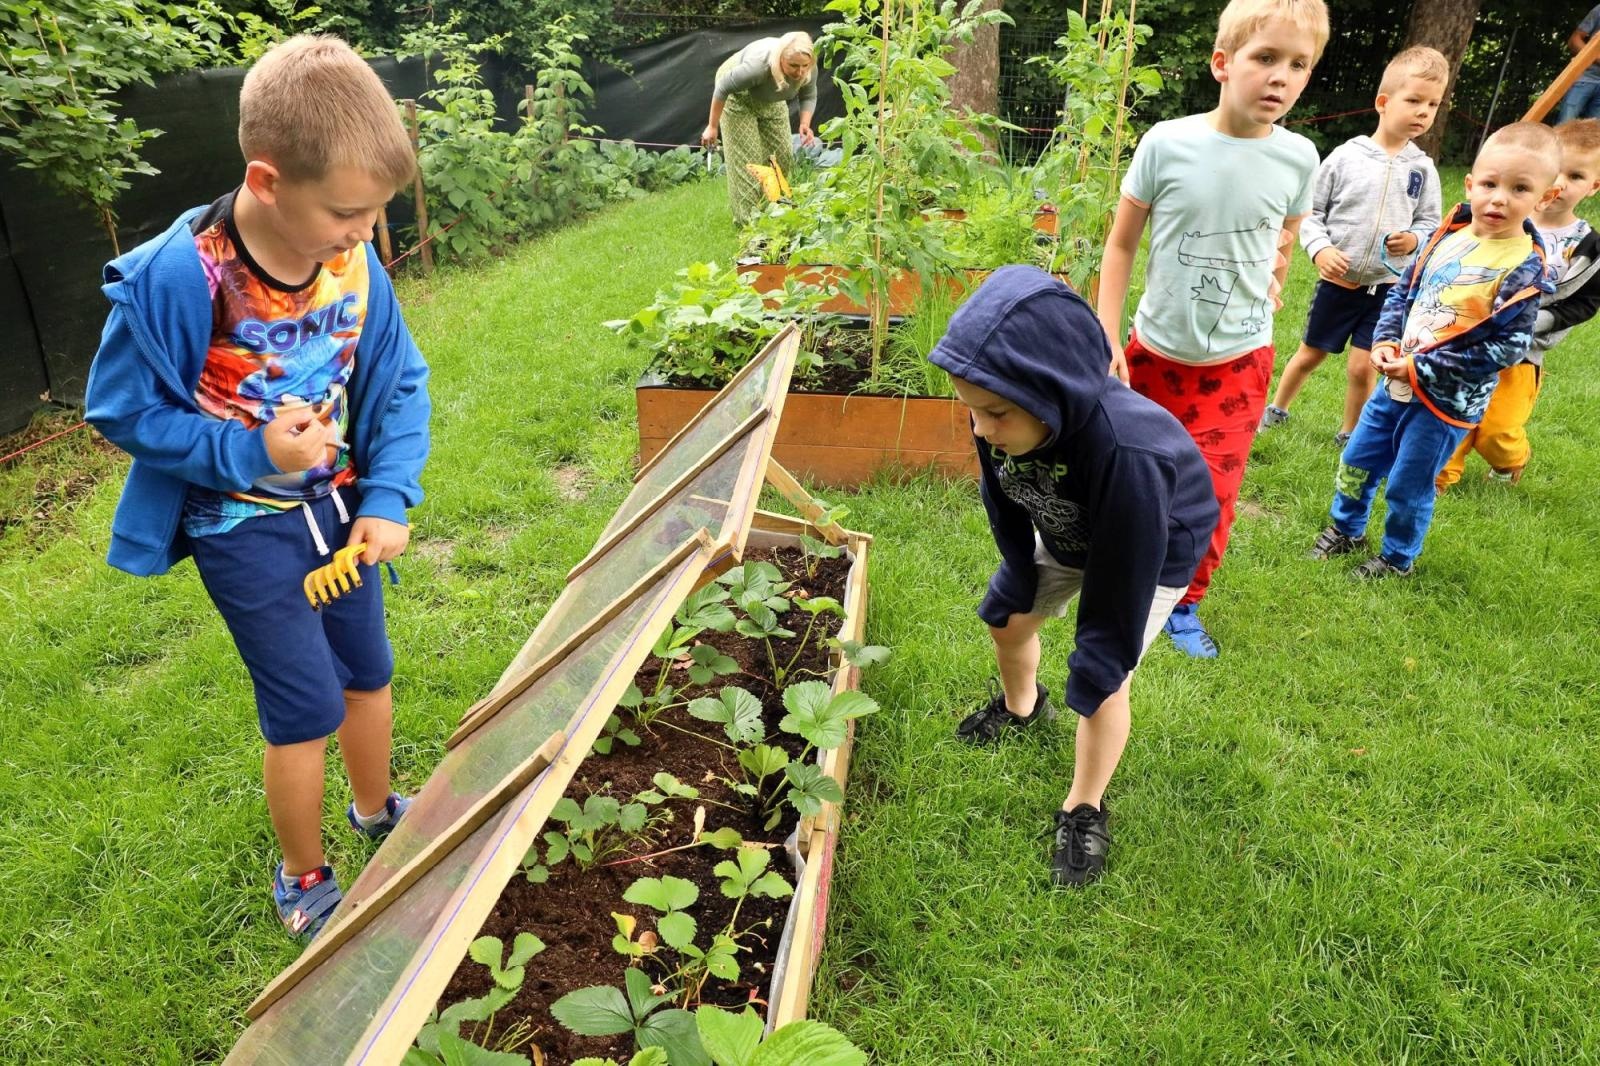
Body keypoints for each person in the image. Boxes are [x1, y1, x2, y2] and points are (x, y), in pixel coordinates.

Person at [83, 36, 431, 940]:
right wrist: (250, 452)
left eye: (376, 211)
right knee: (304, 708)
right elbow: (120, 409)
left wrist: (386, 496)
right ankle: (303, 876)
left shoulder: (355, 264)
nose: (365, 232)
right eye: (347, 212)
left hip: (340, 511)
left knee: (368, 673)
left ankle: (377, 810)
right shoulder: (181, 276)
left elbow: (398, 381)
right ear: (268, 182)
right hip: (240, 525)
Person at [929, 266, 1219, 888]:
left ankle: (1084, 805)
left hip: (1152, 541)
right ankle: (1023, 707)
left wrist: (1099, 657)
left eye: (995, 413)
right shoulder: (1000, 418)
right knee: (1007, 620)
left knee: (1105, 678)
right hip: (1072, 524)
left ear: (1052, 393)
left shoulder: (1128, 452)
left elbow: (1121, 580)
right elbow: (1004, 499)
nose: (980, 429)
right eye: (971, 411)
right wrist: (1019, 570)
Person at [1096, 0, 1328, 659]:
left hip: (1240, 363)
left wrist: (1275, 272)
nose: (1280, 76)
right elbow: (1121, 245)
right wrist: (1106, 333)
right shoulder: (1166, 144)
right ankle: (1121, 574)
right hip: (1153, 356)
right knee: (1134, 478)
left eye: (1299, 65)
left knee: (1213, 494)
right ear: (1223, 63)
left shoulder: (1299, 157)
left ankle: (1184, 601)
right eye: (1266, 57)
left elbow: (1284, 232)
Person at [1309, 122, 1559, 577]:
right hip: (1393, 384)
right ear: (1470, 184)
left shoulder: (1525, 269)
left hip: (1444, 404)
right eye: (1489, 184)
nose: (1499, 199)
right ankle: (1347, 529)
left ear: (1545, 197)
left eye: (1520, 189)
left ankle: (1396, 558)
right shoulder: (1447, 236)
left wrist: (1420, 368)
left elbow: (1508, 347)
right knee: (1357, 461)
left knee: (1409, 484)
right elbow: (1402, 293)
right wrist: (1386, 340)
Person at [1259, 47, 1446, 444]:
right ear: (1383, 102)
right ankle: (1276, 408)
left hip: (1387, 290)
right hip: (1338, 285)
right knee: (1310, 354)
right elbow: (1310, 212)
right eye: (1414, 100)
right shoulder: (1345, 158)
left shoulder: (1423, 169)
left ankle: (1349, 434)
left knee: (1363, 367)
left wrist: (1415, 239)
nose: (1423, 112)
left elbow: (1431, 223)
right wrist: (1321, 250)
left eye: (1432, 105)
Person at [1436, 118, 1600, 491]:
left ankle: (1511, 459)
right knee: (1451, 408)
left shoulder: (1587, 246)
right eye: (1557, 172)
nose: (1561, 184)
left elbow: (1584, 303)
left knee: (1497, 429)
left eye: (1576, 176)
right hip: (1468, 336)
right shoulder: (1506, 217)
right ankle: (1438, 476)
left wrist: (1535, 321)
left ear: (1594, 186)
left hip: (1523, 354)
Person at [700, 31, 819, 225]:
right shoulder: (758, 67)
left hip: (772, 96)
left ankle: (774, 213)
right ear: (780, 59)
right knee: (748, 161)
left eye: (804, 66)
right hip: (737, 97)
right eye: (793, 66)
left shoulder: (808, 68)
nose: (800, 72)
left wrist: (805, 124)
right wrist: (712, 127)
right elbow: (722, 87)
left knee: (781, 155)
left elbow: (809, 95)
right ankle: (749, 223)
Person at [1559, 6, 1600, 124]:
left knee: (1595, 133)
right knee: (1565, 128)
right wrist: (1596, 58)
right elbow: (1574, 40)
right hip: (1584, 79)